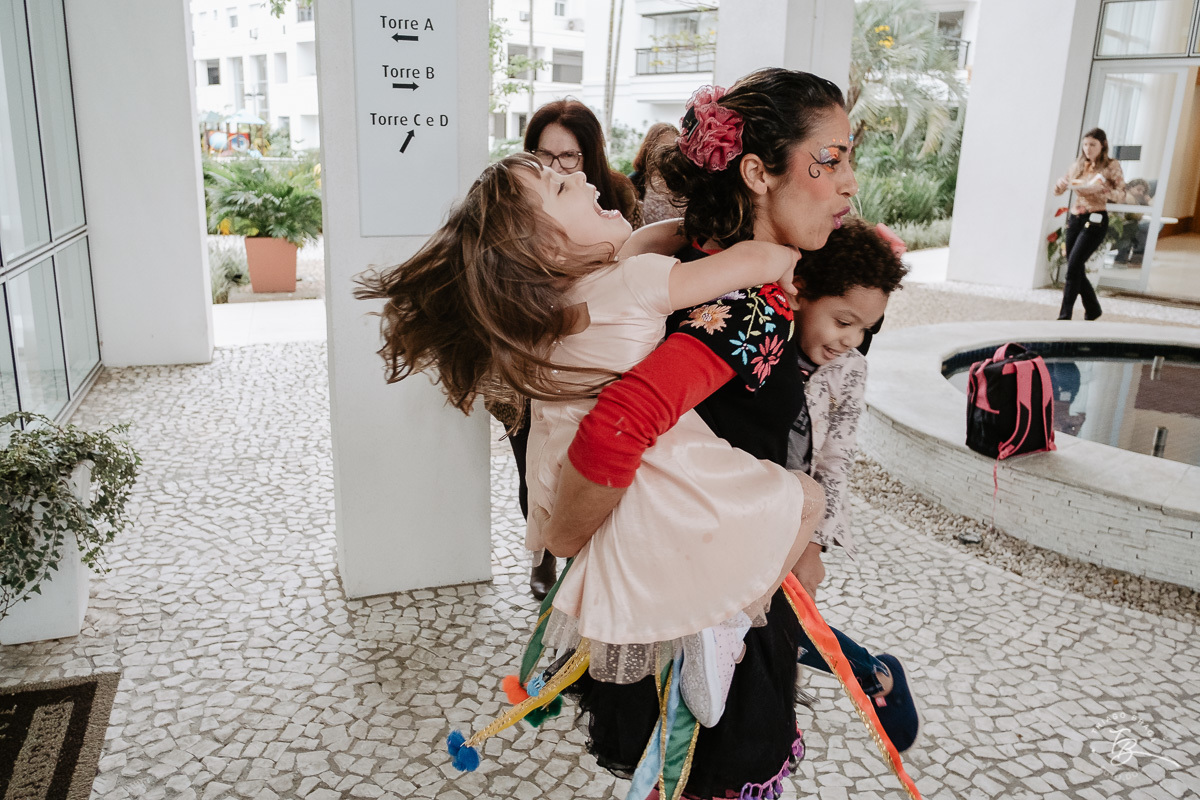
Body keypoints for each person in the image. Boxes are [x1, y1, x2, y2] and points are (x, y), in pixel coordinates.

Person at [542, 71, 919, 799]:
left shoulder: (700, 261)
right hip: (708, 619)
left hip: (686, 585)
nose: (849, 183)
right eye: (829, 160)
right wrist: (565, 536)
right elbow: (619, 425)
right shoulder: (748, 304)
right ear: (755, 172)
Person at [518, 99, 644, 600]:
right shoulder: (527, 199)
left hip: (601, 361)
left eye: (568, 156)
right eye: (543, 154)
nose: (555, 167)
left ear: (589, 155)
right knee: (536, 462)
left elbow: (633, 256)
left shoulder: (616, 198)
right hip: (538, 365)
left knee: (589, 468)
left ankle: (585, 565)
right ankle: (543, 551)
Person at [785, 218, 909, 596]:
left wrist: (812, 545)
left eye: (865, 329)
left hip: (799, 521)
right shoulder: (765, 347)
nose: (852, 340)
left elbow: (835, 461)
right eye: (843, 322)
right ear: (799, 291)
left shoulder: (851, 369)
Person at [1053, 127, 1125, 320]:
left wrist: (1104, 190)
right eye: (1085, 144)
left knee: (1074, 266)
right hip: (1076, 218)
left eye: (1092, 144)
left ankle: (1064, 316)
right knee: (1074, 265)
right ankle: (1093, 309)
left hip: (1096, 219)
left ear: (1103, 145)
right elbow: (1059, 190)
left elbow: (1121, 195)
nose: (1088, 148)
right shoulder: (1078, 165)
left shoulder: (1111, 166)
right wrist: (1059, 185)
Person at [629, 122, 684, 225]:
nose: (668, 155)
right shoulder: (634, 182)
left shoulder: (686, 180)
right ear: (649, 149)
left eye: (673, 148)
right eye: (663, 149)